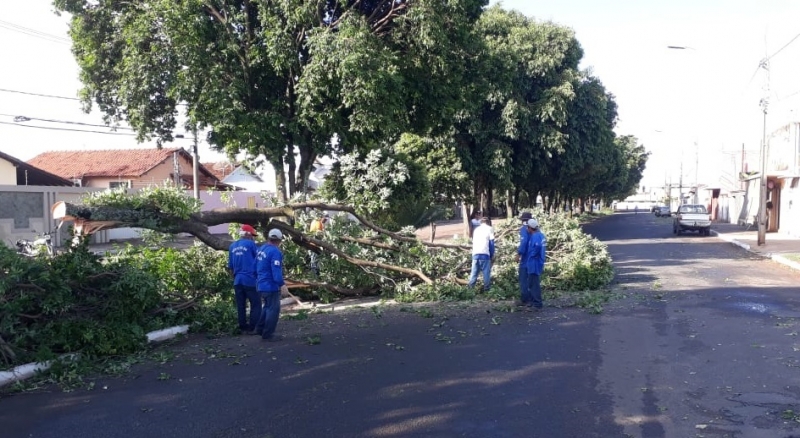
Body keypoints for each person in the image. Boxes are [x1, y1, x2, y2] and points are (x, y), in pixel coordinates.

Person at [254, 229, 288, 341]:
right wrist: (281, 284)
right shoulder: (275, 252)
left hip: (260, 285)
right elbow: (276, 271)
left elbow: (254, 266)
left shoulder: (261, 249)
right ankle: (268, 334)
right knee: (273, 309)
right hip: (270, 286)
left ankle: (259, 328)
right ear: (279, 240)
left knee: (267, 307)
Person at [228, 224, 261, 334]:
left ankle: (242, 327)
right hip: (250, 280)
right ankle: (253, 327)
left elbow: (230, 267)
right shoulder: (251, 244)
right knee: (256, 304)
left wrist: (235, 278)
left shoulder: (232, 246)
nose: (253, 237)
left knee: (241, 305)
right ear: (248, 234)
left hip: (238, 281)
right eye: (252, 235)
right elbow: (258, 260)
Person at [521, 218, 547, 310]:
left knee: (534, 284)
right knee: (532, 282)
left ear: (530, 228)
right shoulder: (541, 235)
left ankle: (537, 304)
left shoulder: (535, 236)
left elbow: (537, 247)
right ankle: (533, 302)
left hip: (534, 263)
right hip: (537, 262)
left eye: (527, 227)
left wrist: (532, 255)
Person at [467, 217, 495, 292]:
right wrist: (492, 254)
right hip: (485, 254)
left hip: (475, 254)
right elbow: (491, 243)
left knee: (474, 273)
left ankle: (470, 289)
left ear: (481, 223)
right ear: (488, 222)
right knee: (486, 273)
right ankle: (487, 290)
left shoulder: (476, 230)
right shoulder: (490, 229)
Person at [516, 212, 533, 303]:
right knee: (532, 279)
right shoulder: (535, 229)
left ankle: (525, 299)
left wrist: (519, 253)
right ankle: (532, 298)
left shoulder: (524, 229)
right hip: (534, 257)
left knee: (523, 278)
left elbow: (524, 241)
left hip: (526, 257)